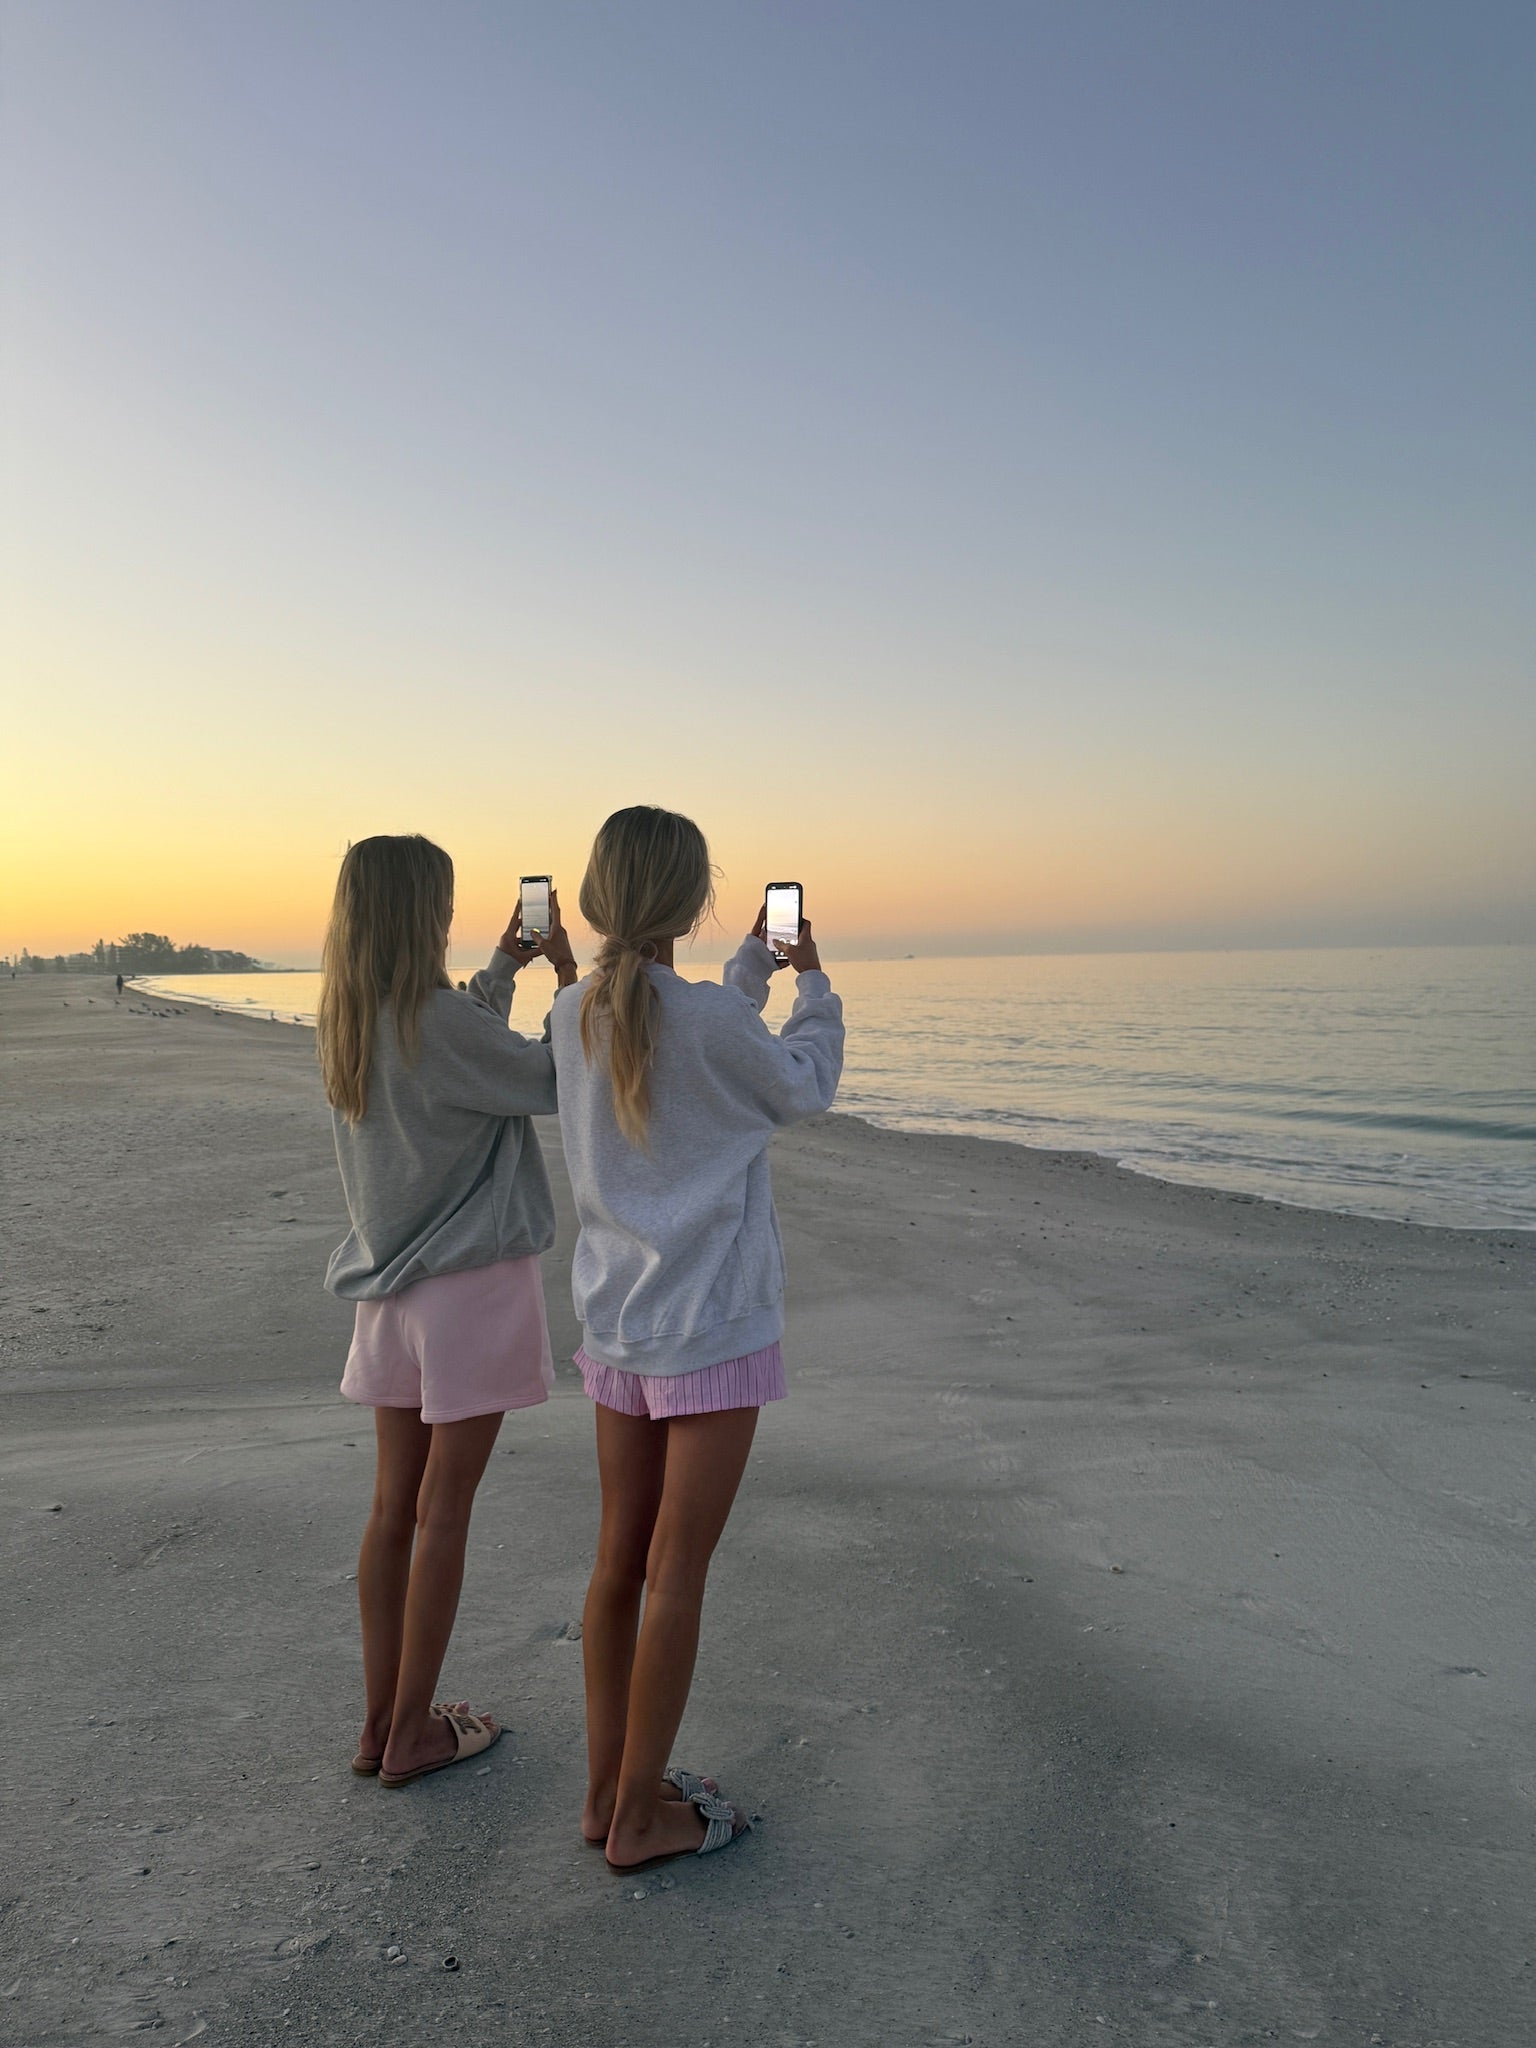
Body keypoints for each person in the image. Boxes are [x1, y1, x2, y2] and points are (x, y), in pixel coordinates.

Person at [552, 805, 844, 1869]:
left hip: (618, 1324)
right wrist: (810, 982)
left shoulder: (571, 1013)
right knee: (677, 1569)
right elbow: (799, 1082)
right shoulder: (708, 1023)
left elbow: (679, 1025)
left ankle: (606, 1793)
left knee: (617, 1562)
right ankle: (643, 1816)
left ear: (594, 895)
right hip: (712, 1325)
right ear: (691, 895)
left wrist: (747, 976)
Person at [318, 833, 577, 1788]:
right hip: (470, 1290)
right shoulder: (437, 1024)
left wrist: (506, 964)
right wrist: (568, 983)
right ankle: (416, 1735)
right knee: (444, 1516)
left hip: (389, 1294)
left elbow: (457, 1047)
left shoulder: (352, 1022)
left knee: (393, 1511)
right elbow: (554, 1079)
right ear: (423, 912)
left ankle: (381, 1722)